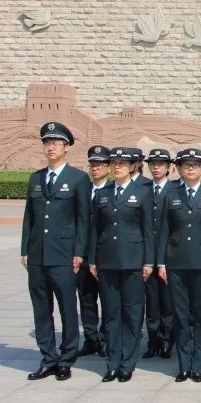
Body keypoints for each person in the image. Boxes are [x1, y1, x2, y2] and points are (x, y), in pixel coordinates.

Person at [21, 122, 92, 381]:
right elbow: (30, 217)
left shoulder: (78, 179)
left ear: (66, 147)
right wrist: (24, 249)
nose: (50, 147)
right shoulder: (36, 178)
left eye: (55, 143)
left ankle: (66, 359)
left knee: (67, 308)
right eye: (46, 143)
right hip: (38, 255)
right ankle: (47, 358)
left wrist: (79, 252)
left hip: (64, 255)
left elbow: (84, 219)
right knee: (41, 309)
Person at [156, 148, 201, 382]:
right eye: (186, 165)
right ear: (179, 169)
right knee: (181, 315)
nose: (190, 168)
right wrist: (161, 262)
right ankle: (184, 365)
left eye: (195, 165)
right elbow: (163, 231)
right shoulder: (170, 194)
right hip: (176, 262)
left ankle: (199, 364)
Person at [89, 147, 154, 383]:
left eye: (122, 164)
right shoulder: (103, 193)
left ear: (132, 167)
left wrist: (149, 261)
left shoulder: (143, 193)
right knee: (111, 314)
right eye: (114, 163)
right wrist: (92, 260)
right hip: (107, 261)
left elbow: (148, 230)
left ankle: (128, 363)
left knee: (133, 312)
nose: (117, 167)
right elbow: (95, 230)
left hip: (134, 261)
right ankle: (112, 363)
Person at [142, 148, 175, 360]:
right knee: (151, 301)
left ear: (169, 168)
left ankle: (167, 341)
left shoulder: (175, 191)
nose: (156, 167)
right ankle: (152, 341)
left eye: (161, 164)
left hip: (170, 255)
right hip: (147, 254)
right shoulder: (143, 190)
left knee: (168, 302)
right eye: (153, 163)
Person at [79, 145, 110, 357]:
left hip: (106, 255)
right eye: (93, 164)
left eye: (100, 164)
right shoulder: (82, 190)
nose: (95, 168)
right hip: (82, 255)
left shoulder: (112, 191)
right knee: (86, 299)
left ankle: (106, 338)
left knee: (108, 299)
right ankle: (90, 339)